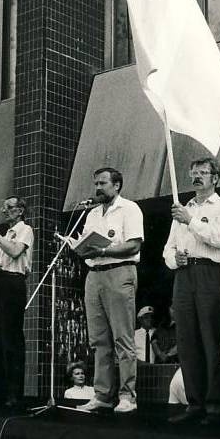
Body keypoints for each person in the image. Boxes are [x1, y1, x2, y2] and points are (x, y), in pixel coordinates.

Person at [163, 157, 220, 425]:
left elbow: (218, 239)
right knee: (187, 339)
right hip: (184, 276)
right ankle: (194, 403)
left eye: (203, 173)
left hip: (210, 273)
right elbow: (168, 249)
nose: (197, 177)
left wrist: (191, 220)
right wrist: (175, 260)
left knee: (211, 338)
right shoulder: (184, 208)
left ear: (215, 177)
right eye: (193, 172)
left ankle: (216, 405)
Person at [74, 167, 144, 414]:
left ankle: (127, 396)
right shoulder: (92, 214)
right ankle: (102, 394)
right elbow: (86, 243)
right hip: (94, 276)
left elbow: (133, 244)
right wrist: (79, 247)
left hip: (119, 271)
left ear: (117, 185)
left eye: (103, 183)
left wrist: (103, 251)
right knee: (98, 340)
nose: (98, 188)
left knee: (123, 338)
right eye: (96, 183)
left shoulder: (130, 208)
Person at [0, 196, 34, 407]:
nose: (5, 211)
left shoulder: (25, 230)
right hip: (1, 283)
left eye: (9, 207)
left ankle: (14, 392)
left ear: (20, 210)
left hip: (14, 284)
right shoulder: (5, 234)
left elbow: (14, 251)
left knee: (10, 337)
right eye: (4, 208)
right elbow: (2, 263)